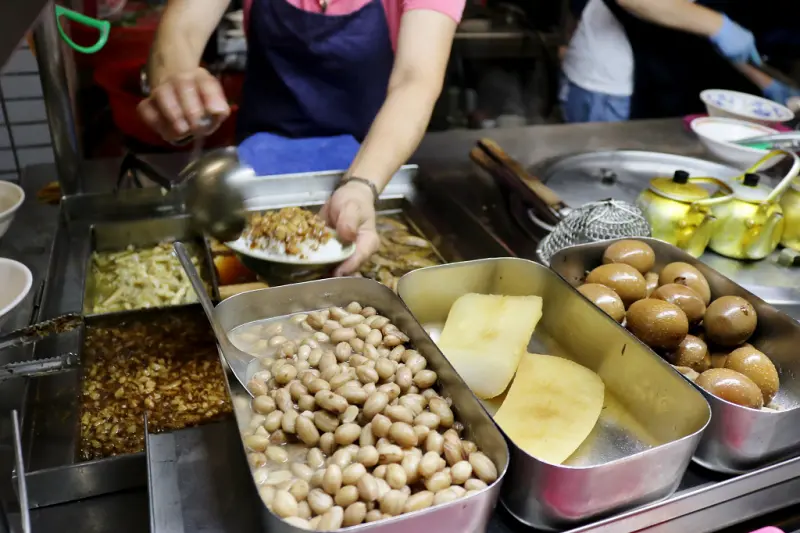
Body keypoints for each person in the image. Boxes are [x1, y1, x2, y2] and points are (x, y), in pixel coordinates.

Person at [137, 0, 465, 275]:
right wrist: (174, 80)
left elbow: (415, 80)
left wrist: (361, 185)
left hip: (369, 162)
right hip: (256, 170)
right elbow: (182, 28)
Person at [561, 0, 799, 122]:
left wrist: (764, 80)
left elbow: (696, 16)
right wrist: (720, 26)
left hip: (663, 74)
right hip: (613, 86)